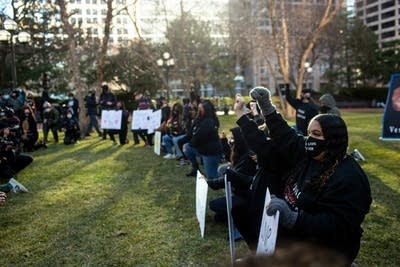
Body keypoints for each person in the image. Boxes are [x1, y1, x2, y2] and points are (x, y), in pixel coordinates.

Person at [246, 86, 371, 264]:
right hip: (297, 237)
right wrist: (266, 107)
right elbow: (286, 136)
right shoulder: (309, 154)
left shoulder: (350, 178)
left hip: (327, 249)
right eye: (309, 133)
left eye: (317, 134)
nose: (310, 139)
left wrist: (293, 218)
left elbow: (337, 224)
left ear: (333, 139)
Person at [183, 99, 223, 181]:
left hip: (210, 152)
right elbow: (191, 133)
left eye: (200, 108)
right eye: (198, 108)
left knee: (212, 178)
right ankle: (195, 169)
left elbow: (199, 137)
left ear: (205, 109)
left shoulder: (209, 121)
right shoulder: (200, 119)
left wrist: (192, 141)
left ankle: (229, 176)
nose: (198, 110)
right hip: (202, 149)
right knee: (187, 147)